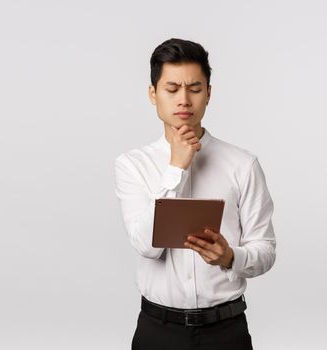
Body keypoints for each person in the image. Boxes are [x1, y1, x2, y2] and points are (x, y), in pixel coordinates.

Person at [114, 38, 276, 349]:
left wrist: (231, 257)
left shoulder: (242, 165)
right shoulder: (133, 165)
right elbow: (146, 247)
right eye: (172, 89)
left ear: (209, 94)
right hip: (158, 332)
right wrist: (176, 167)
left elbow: (266, 250)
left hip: (226, 331)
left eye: (195, 89)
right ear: (153, 94)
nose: (184, 100)